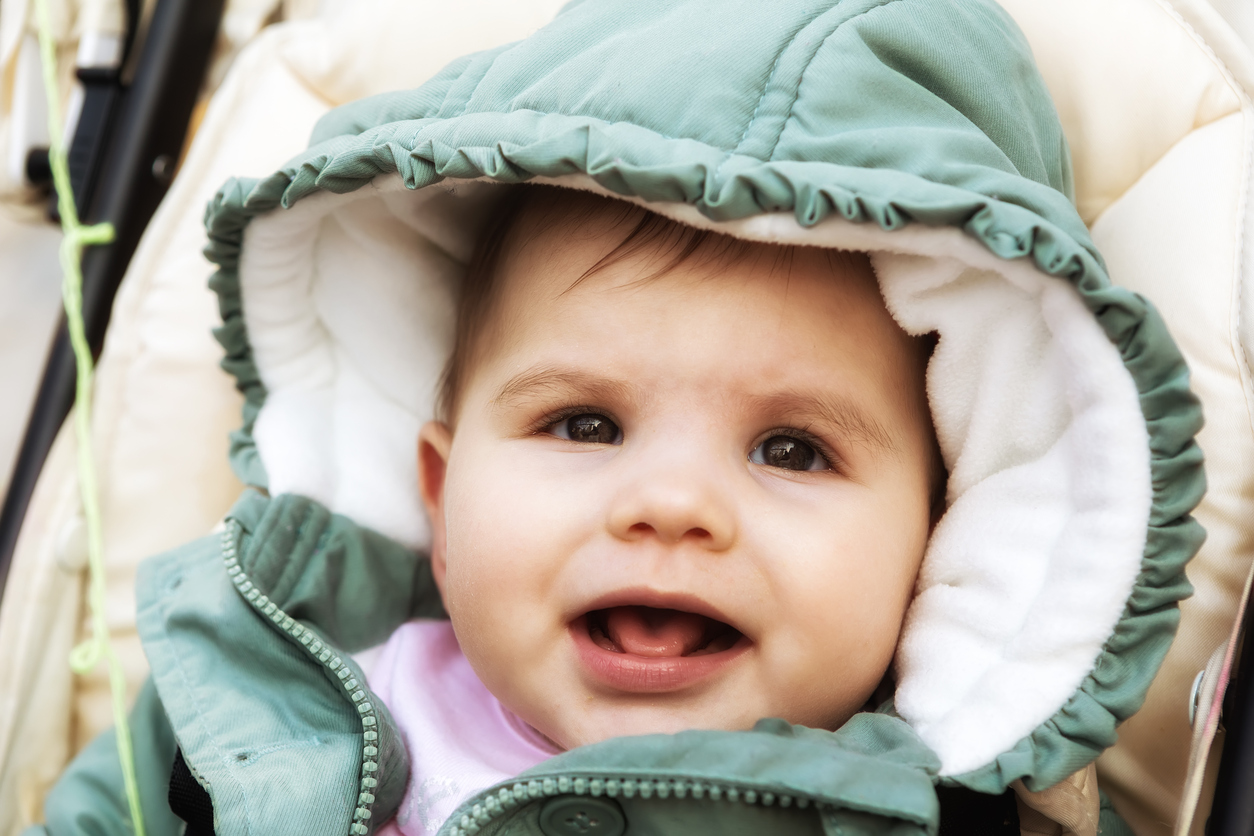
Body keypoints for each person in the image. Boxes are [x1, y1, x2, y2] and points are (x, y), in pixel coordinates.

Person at [28, 0, 1205, 834]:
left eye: (792, 448)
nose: (671, 504)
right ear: (441, 497)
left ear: (938, 547)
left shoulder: (922, 815)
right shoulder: (262, 684)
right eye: (584, 424)